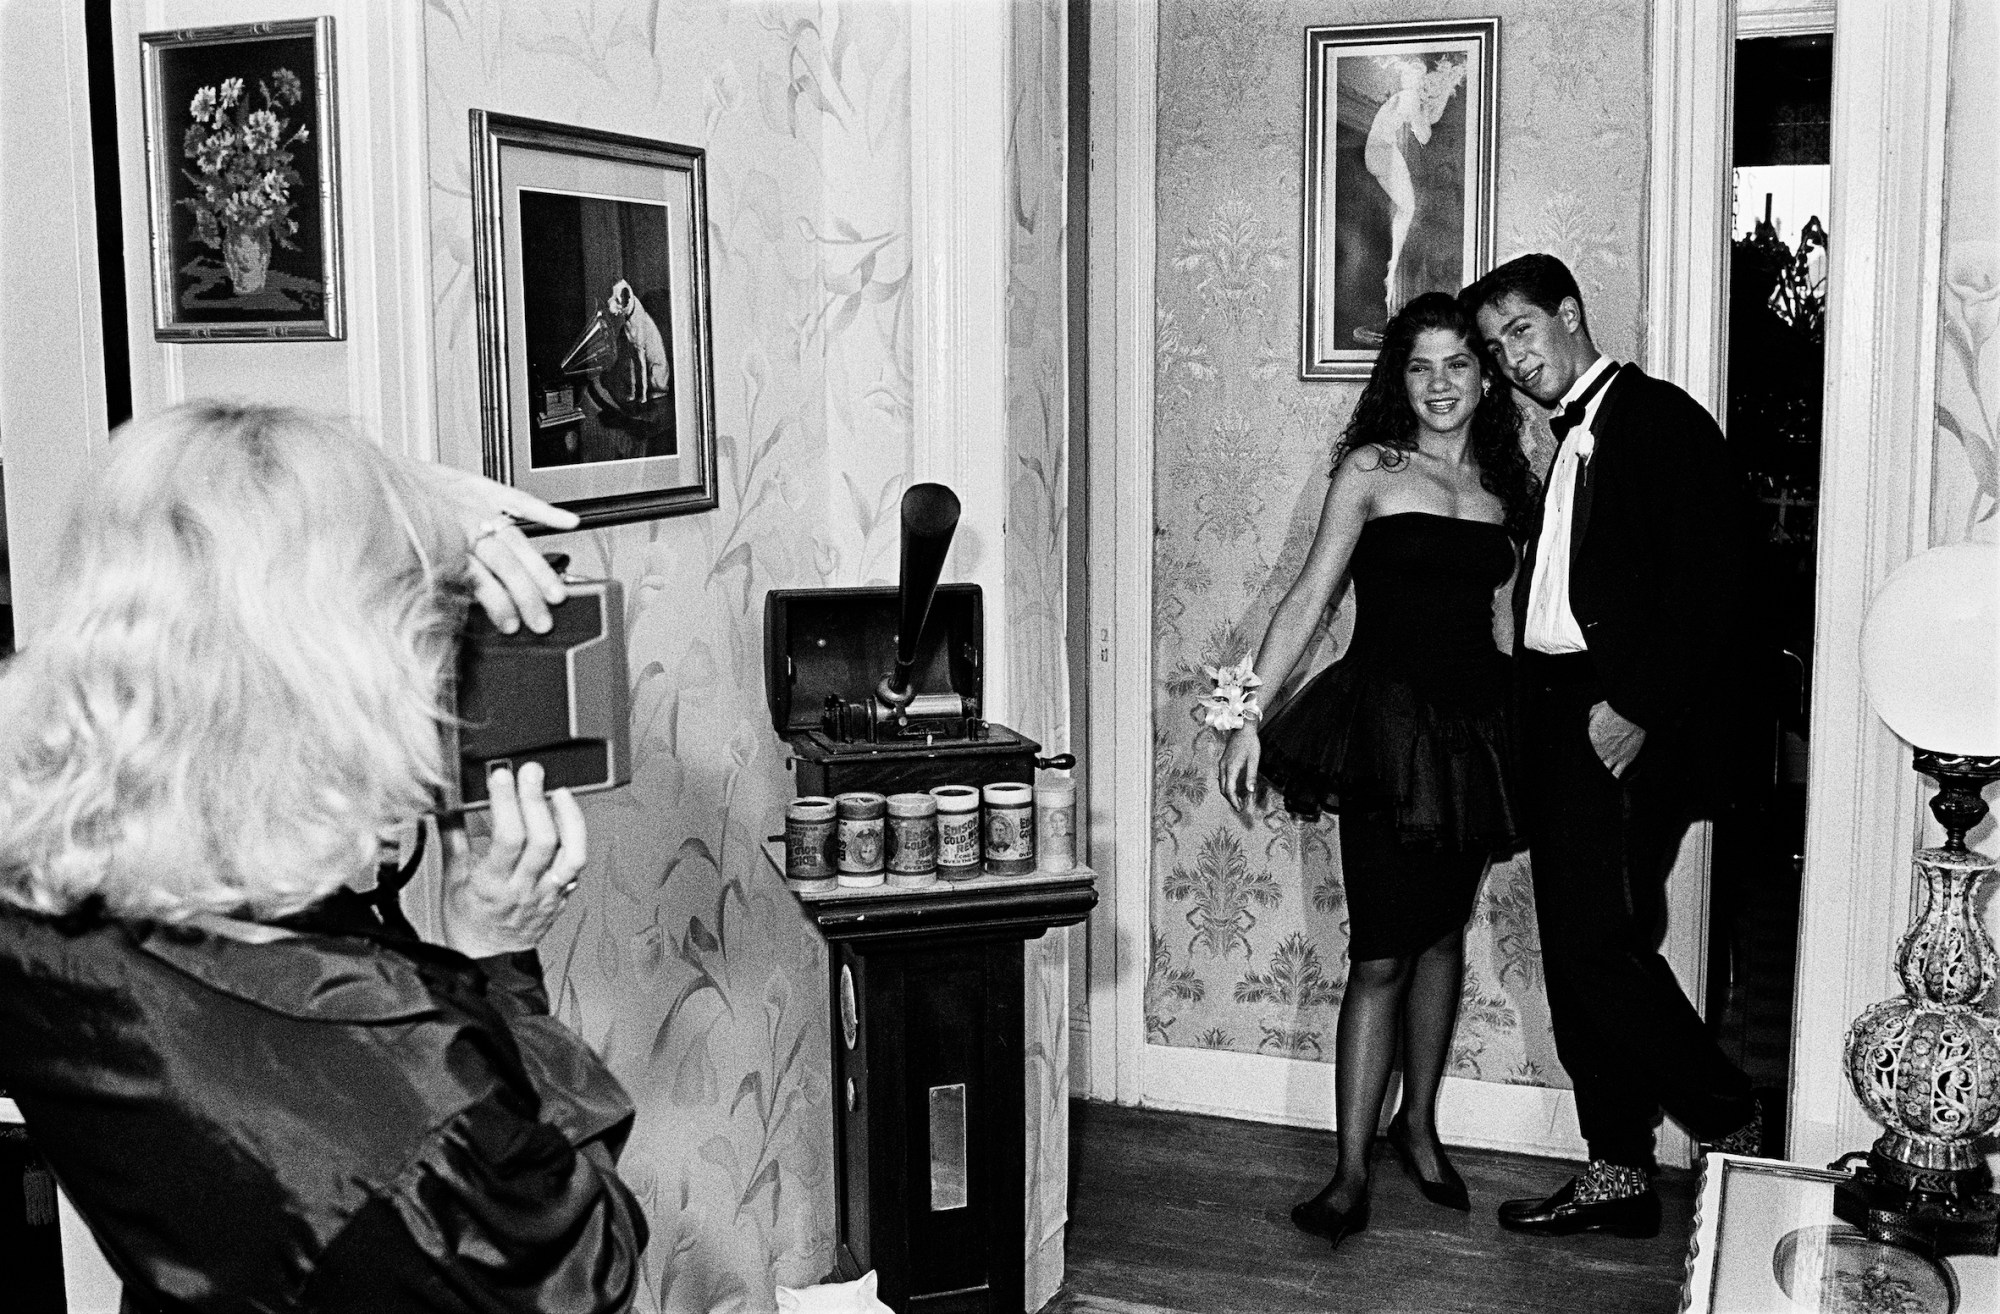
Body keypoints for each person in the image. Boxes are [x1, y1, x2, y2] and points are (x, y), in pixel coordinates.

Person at [0, 402, 647, 1311]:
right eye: (422, 645)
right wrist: (495, 958)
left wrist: (397, 503)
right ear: (334, 700)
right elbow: (587, 1268)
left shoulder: (38, 920)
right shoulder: (420, 1132)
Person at [1214, 292, 1534, 1249]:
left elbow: (1511, 631)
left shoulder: (1507, 488)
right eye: (1420, 367)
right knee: (1381, 948)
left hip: (1473, 738)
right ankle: (1350, 1168)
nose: (1440, 385)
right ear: (1401, 380)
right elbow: (1306, 597)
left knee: (1441, 937)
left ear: (1486, 376)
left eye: (1458, 365)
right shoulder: (1371, 470)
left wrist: (1535, 741)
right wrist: (1245, 717)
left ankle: (1419, 1128)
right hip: (1385, 737)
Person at [1465, 254, 1764, 1239]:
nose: (1511, 359)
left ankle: (1730, 1116)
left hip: (1618, 716)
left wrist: (1630, 706)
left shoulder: (1660, 420)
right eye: (1495, 347)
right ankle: (1613, 1171)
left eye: (1519, 331)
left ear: (1568, 312)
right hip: (1557, 710)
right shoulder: (1568, 440)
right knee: (1576, 948)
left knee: (1597, 948)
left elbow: (1714, 586)